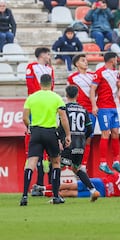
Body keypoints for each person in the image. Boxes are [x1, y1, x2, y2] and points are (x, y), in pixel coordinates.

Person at [20, 74, 71, 206]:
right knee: (55, 162)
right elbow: (63, 118)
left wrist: (29, 128)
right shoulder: (56, 98)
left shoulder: (32, 97)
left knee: (31, 163)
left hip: (36, 132)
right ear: (51, 82)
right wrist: (68, 135)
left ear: (40, 83)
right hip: (50, 132)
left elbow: (25, 117)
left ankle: (25, 196)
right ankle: (55, 196)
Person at [58, 85, 100, 202]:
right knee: (77, 168)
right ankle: (92, 190)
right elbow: (90, 129)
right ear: (77, 95)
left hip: (68, 143)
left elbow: (60, 127)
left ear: (66, 95)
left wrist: (61, 139)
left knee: (56, 166)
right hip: (80, 144)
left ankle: (56, 195)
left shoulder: (63, 109)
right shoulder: (83, 109)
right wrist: (83, 137)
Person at [90, 52, 120, 175]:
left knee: (116, 133)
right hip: (103, 108)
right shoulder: (100, 72)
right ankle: (103, 163)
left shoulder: (115, 73)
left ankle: (116, 161)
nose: (118, 61)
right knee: (105, 133)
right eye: (116, 59)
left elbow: (119, 85)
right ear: (112, 60)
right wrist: (94, 105)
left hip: (113, 107)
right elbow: (92, 89)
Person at [25, 47, 55, 194]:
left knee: (49, 149)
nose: (49, 56)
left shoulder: (50, 69)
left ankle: (48, 185)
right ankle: (39, 183)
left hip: (48, 107)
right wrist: (40, 98)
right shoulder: (31, 67)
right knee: (36, 147)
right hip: (36, 106)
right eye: (48, 54)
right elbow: (30, 86)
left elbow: (52, 87)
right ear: (42, 55)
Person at [67, 54, 96, 171]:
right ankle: (74, 163)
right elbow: (69, 94)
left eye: (86, 60)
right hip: (78, 111)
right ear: (76, 64)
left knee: (88, 138)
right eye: (83, 60)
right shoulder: (72, 77)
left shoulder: (93, 76)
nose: (86, 62)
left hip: (91, 111)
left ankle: (83, 164)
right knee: (76, 138)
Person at [40, 172, 120, 198]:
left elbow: (107, 174)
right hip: (102, 193)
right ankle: (44, 193)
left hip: (99, 182)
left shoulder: (117, 174)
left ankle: (44, 188)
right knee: (71, 193)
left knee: (70, 185)